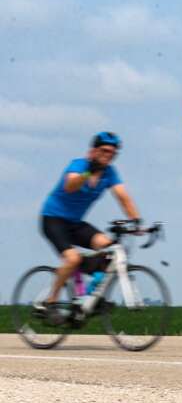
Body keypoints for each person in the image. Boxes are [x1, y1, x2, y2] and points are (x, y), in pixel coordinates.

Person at [38, 132, 141, 310]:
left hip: (75, 223)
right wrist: (88, 172)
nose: (108, 155)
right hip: (53, 219)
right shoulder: (79, 165)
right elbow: (70, 186)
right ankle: (49, 302)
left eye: (112, 153)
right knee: (72, 259)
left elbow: (123, 197)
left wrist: (136, 220)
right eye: (104, 151)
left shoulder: (109, 173)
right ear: (93, 151)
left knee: (111, 249)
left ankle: (90, 296)